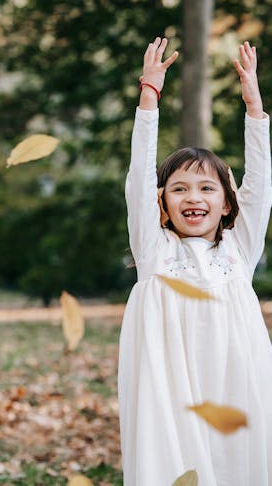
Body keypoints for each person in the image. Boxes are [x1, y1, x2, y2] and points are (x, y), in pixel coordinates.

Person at [118, 37, 272, 486]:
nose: (193, 197)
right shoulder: (155, 250)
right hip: (170, 391)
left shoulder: (239, 252)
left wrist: (255, 108)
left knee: (234, 465)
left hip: (234, 386)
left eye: (207, 189)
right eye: (180, 188)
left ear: (228, 204)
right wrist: (150, 95)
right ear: (161, 205)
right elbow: (138, 174)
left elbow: (260, 183)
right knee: (172, 465)